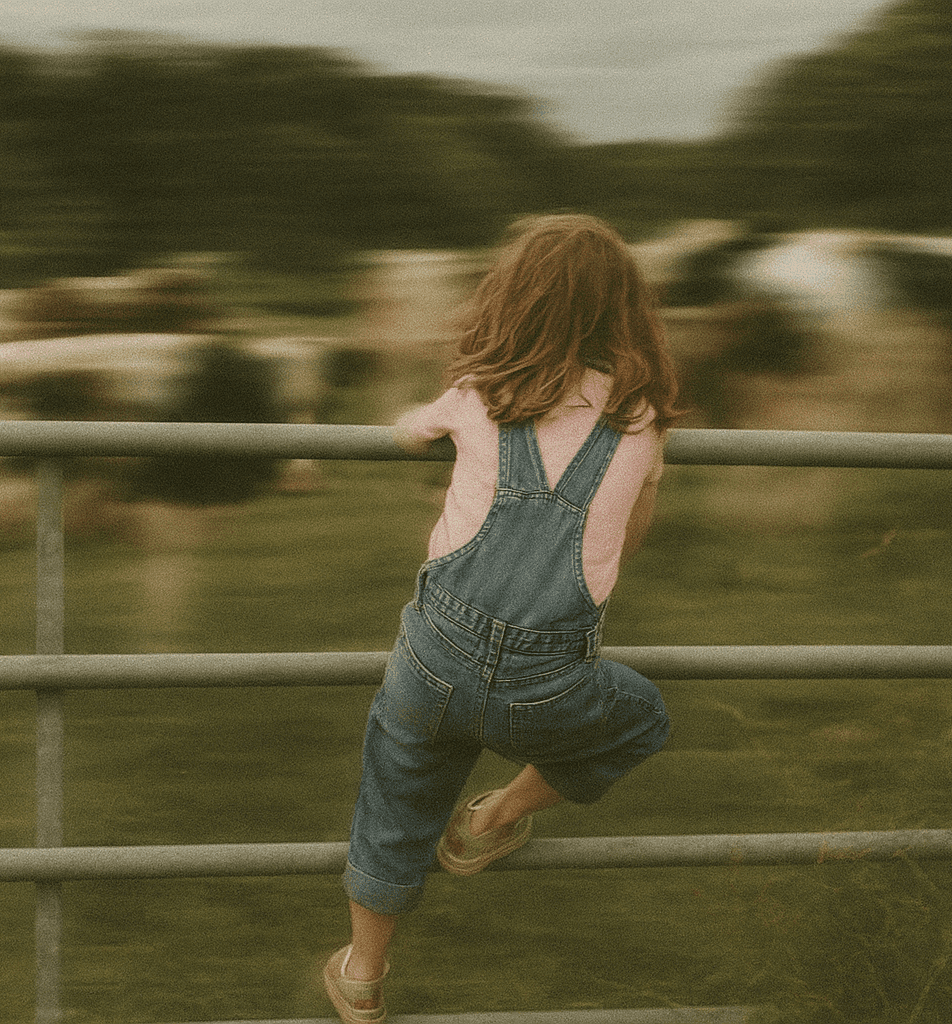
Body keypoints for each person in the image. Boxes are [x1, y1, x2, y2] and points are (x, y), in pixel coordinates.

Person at [323, 213, 685, 1024]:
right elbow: (631, 538)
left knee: (396, 795)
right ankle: (493, 819)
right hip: (548, 680)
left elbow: (406, 431)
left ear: (511, 302)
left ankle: (362, 975)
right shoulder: (640, 419)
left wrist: (432, 430)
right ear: (625, 312)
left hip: (432, 661)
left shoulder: (475, 396)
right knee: (642, 718)